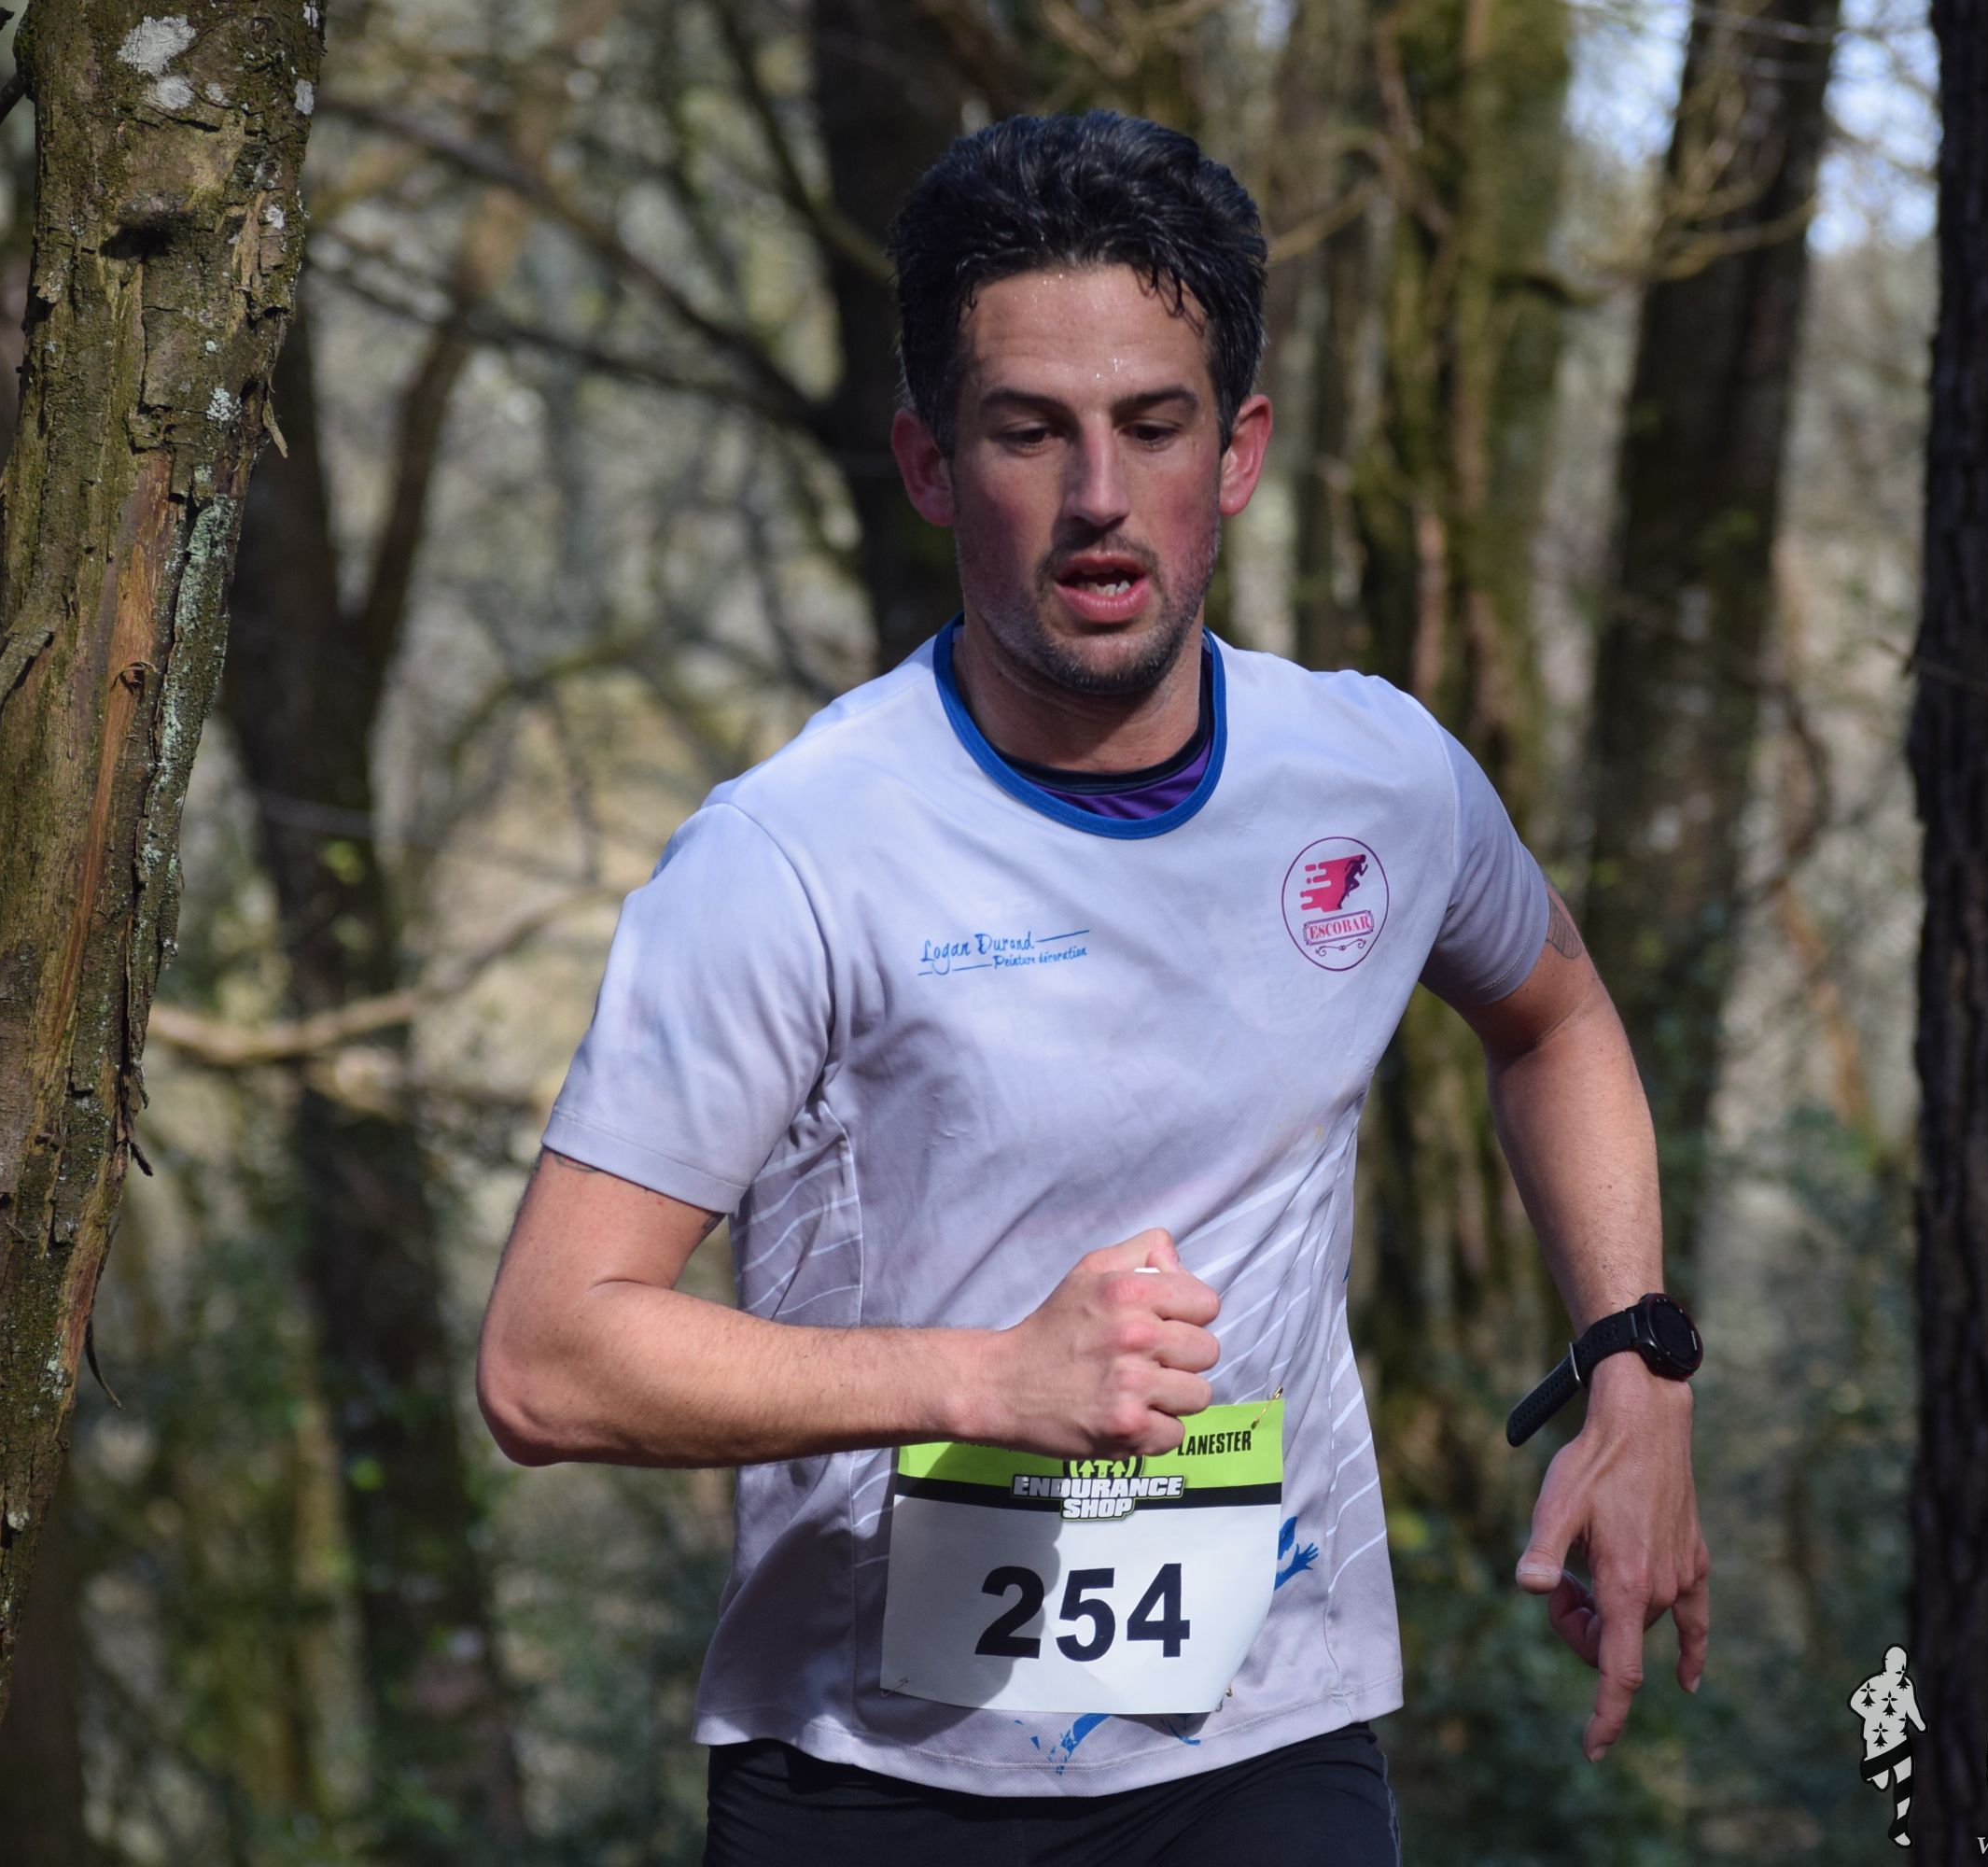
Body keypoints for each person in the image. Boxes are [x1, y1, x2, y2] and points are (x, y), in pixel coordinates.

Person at [476, 108, 1708, 1865]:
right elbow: (549, 1358)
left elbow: (1557, 1019)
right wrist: (985, 1382)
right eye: (1029, 431)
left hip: (1262, 1741)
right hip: (874, 1778)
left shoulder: (1380, 783)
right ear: (928, 464)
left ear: (1242, 449)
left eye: (1153, 423)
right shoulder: (791, 854)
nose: (1100, 498)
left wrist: (1635, 1367)